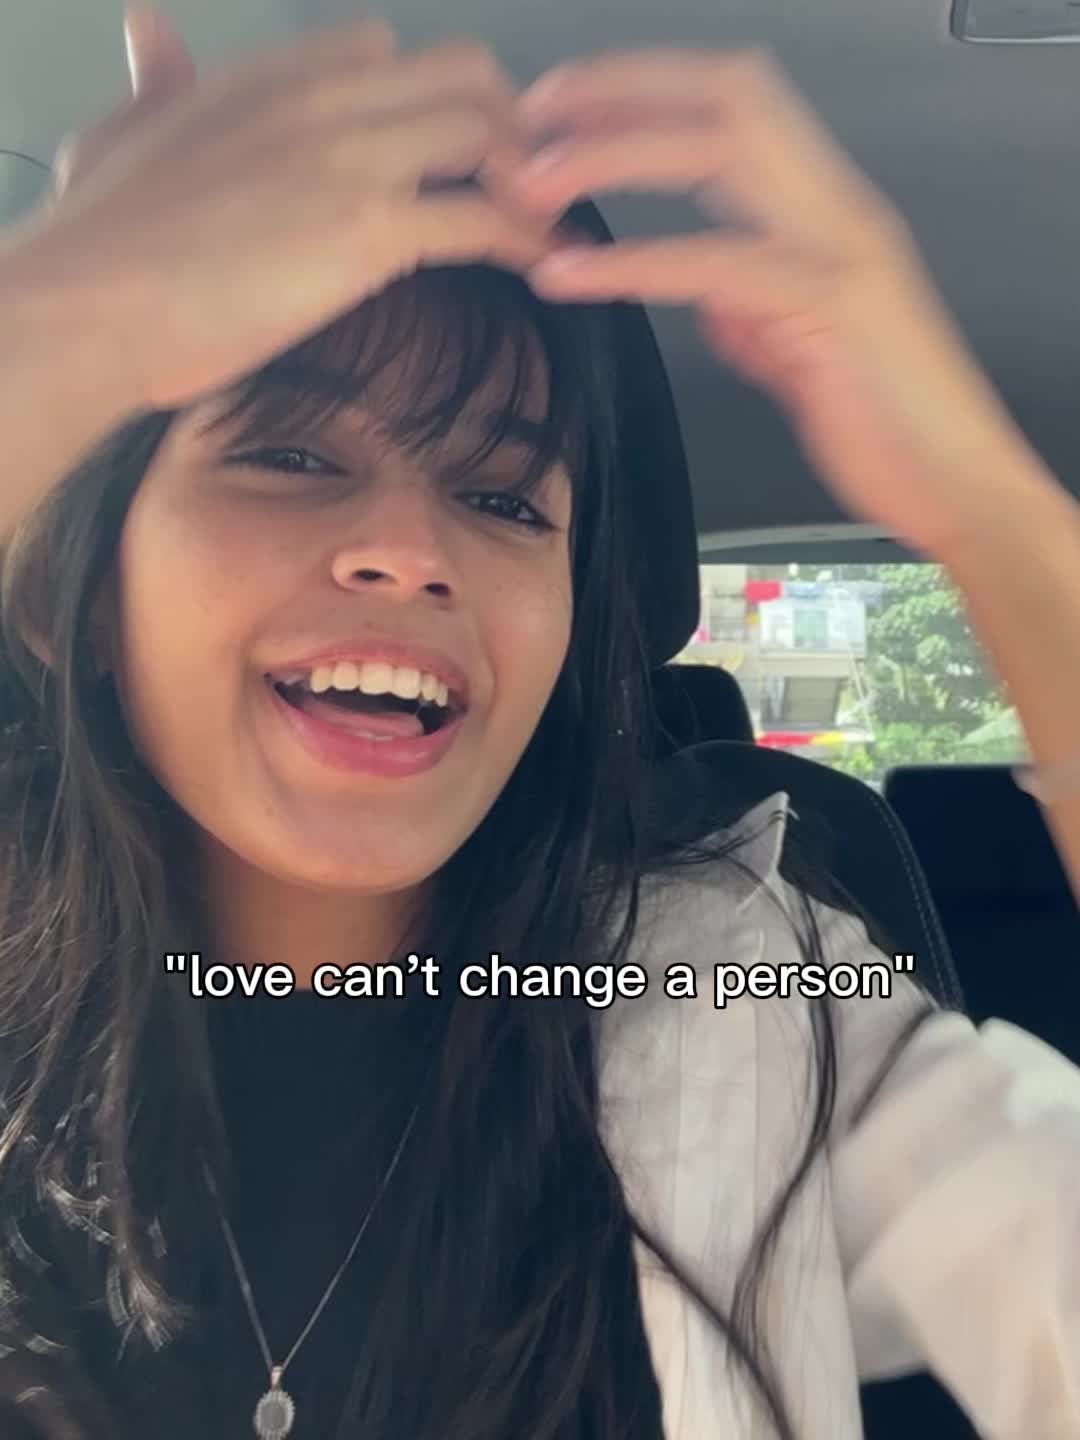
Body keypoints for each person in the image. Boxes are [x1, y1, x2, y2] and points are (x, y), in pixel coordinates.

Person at [0, 7, 1078, 1439]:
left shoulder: (745, 1009)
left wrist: (994, 515)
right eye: (288, 452)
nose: (408, 550)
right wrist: (37, 348)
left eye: (505, 497)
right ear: (68, 600)